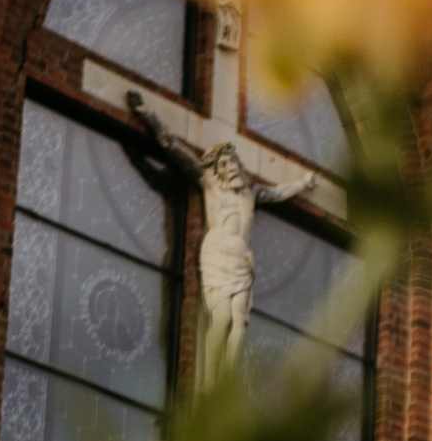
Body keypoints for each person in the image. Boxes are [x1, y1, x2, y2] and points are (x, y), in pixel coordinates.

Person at [127, 90, 316, 362]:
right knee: (221, 320)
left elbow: (277, 193)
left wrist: (303, 183)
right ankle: (209, 380)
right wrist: (148, 116)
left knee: (239, 321)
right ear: (217, 170)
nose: (231, 169)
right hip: (217, 255)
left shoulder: (251, 192)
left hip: (241, 260)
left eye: (233, 164)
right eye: (225, 165)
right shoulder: (210, 184)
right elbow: (173, 147)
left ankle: (225, 379)